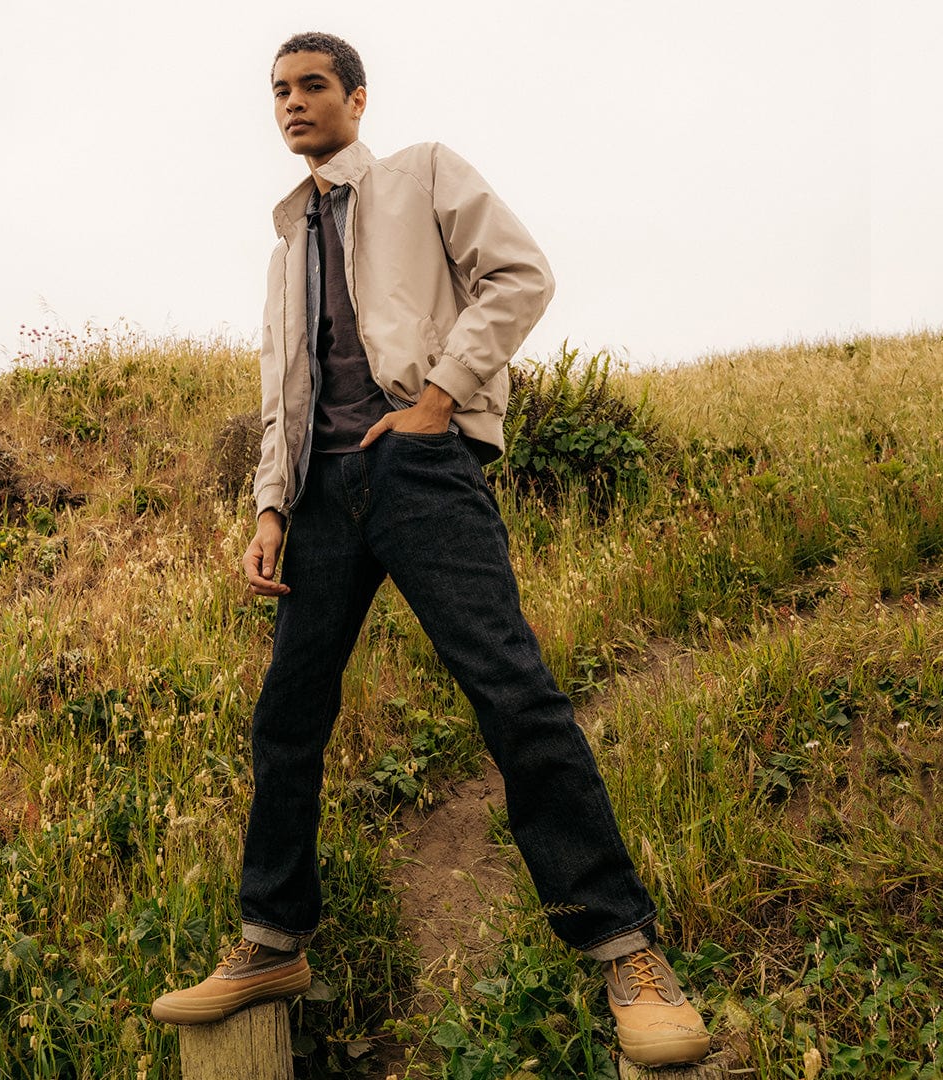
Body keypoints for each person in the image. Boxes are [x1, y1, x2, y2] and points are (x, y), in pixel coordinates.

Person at [151, 31, 711, 1068]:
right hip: (318, 496)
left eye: (313, 85)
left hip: (418, 467)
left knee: (512, 689)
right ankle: (271, 941)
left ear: (357, 100)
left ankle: (622, 947)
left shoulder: (422, 175)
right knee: (287, 718)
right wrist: (271, 507)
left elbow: (520, 274)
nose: (292, 103)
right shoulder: (281, 247)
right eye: (278, 90)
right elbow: (282, 393)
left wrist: (440, 400)